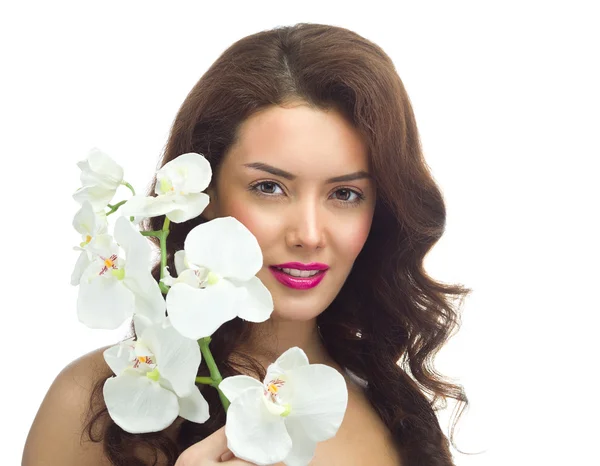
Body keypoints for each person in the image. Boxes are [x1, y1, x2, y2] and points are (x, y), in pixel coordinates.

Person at [23, 23, 470, 466]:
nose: (309, 234)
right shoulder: (91, 405)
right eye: (269, 187)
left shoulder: (397, 415)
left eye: (345, 194)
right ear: (206, 195)